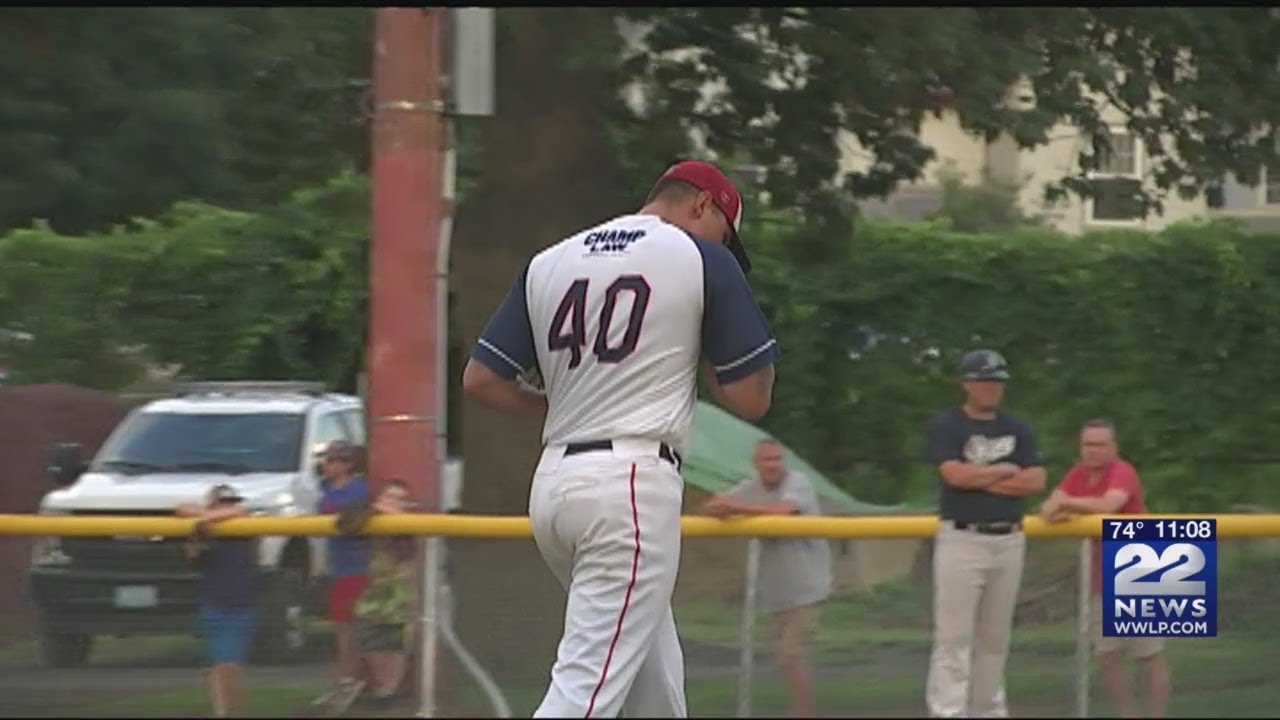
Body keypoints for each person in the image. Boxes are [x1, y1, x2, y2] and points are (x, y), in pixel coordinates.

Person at [462, 159, 779, 718]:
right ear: (702, 205)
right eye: (725, 234)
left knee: (653, 686)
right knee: (585, 692)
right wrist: (703, 339)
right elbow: (751, 397)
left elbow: (482, 379)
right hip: (629, 486)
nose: (725, 250)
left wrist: (570, 407)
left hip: (556, 485)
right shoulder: (700, 258)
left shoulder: (550, 261)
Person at [923, 349, 1046, 719]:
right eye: (984, 381)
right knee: (953, 639)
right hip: (963, 538)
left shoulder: (1018, 428)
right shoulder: (948, 426)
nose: (992, 388)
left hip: (1008, 539)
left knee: (995, 640)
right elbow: (954, 476)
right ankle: (947, 711)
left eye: (997, 382)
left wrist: (981, 478)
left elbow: (1036, 480)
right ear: (966, 384)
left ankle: (988, 711)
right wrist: (1006, 471)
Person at [1040, 419, 1171, 718]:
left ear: (1113, 447)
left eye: (1100, 444)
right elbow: (1048, 508)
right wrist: (1061, 507)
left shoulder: (1122, 471)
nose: (1093, 451)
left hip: (1143, 567)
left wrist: (1068, 505)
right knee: (1106, 654)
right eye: (1088, 444)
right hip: (1102, 574)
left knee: (1147, 653)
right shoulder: (1078, 474)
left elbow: (1109, 506)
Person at [701, 438, 831, 718]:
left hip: (807, 586)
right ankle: (800, 709)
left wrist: (737, 508)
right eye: (767, 460)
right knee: (784, 658)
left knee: (789, 653)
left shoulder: (798, 482)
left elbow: (783, 511)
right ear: (757, 464)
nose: (773, 465)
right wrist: (724, 507)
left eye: (777, 459)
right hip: (777, 590)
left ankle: (802, 713)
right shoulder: (752, 487)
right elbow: (714, 505)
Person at [177, 484, 258, 719]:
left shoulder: (245, 525)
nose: (230, 506)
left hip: (241, 605)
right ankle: (224, 712)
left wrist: (204, 516)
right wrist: (199, 534)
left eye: (232, 501)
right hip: (213, 604)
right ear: (213, 504)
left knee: (230, 666)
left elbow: (242, 511)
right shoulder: (202, 530)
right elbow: (180, 510)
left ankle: (231, 712)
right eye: (224, 502)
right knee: (217, 668)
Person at [311, 440, 372, 709]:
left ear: (348, 465)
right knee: (340, 626)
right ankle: (345, 679)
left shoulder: (358, 490)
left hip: (357, 566)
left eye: (334, 460)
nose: (328, 465)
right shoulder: (325, 490)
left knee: (350, 626)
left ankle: (353, 679)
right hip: (338, 566)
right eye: (327, 460)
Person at [348, 480, 416, 713]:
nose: (393, 503)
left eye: (399, 499)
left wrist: (387, 509)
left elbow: (402, 526)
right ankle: (382, 685)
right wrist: (375, 509)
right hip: (375, 588)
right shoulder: (371, 517)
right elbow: (347, 524)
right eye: (389, 497)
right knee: (369, 634)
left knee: (395, 640)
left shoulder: (408, 522)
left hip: (399, 590)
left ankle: (390, 689)